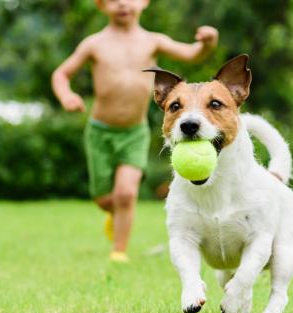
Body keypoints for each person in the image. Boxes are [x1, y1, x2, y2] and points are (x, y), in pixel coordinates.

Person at [51, 0, 218, 263]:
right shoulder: (94, 44)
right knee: (106, 198)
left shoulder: (152, 41)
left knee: (126, 193)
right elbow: (61, 74)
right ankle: (112, 212)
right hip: (99, 132)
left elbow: (191, 54)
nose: (122, 3)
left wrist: (207, 43)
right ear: (101, 5)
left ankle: (119, 251)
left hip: (134, 132)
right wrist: (66, 95)